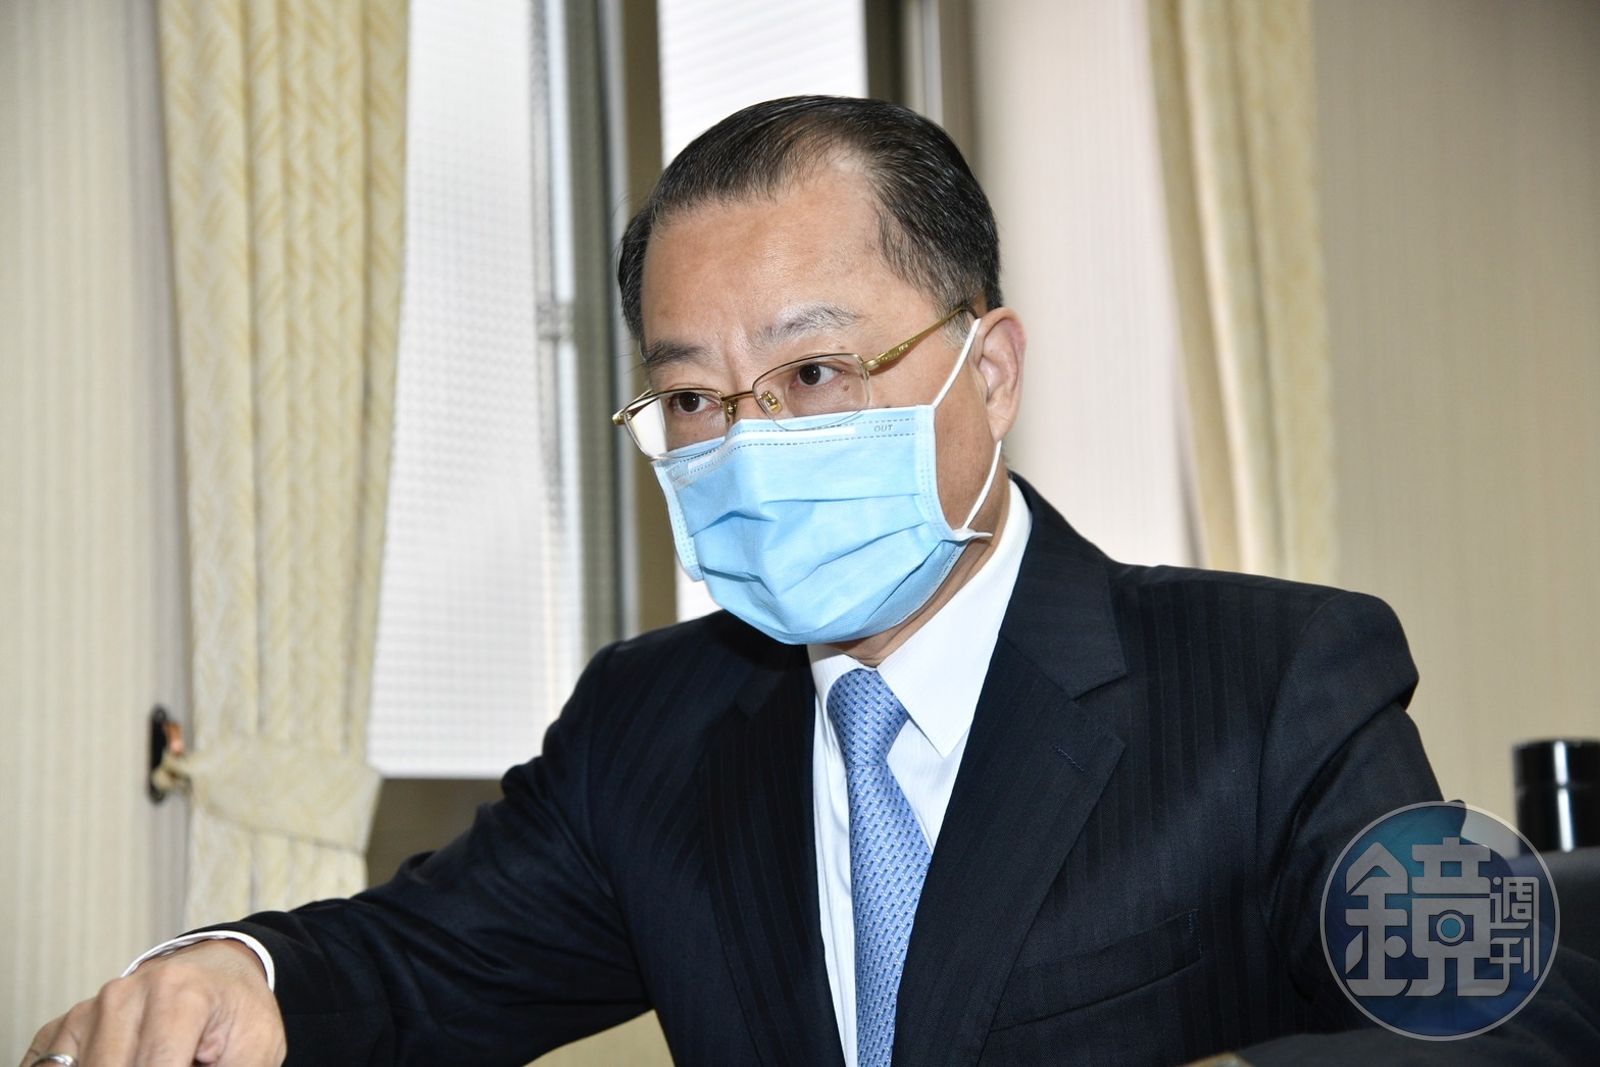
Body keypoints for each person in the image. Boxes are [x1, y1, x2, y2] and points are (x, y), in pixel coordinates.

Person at [22, 96, 1599, 1067]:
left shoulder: (1278, 678)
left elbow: (1491, 1001)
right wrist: (235, 976)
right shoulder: (649, 728)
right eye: (693, 398)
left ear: (991, 371)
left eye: (817, 371)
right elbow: (421, 966)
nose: (750, 444)